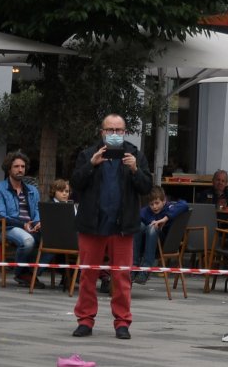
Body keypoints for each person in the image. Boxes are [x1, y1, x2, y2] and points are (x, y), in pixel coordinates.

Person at [68, 113, 153, 338]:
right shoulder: (88, 154)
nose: (114, 135)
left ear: (125, 132)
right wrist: (91, 165)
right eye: (110, 130)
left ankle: (122, 322)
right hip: (92, 225)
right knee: (88, 276)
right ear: (102, 132)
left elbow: (146, 188)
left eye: (119, 131)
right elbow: (75, 184)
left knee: (122, 277)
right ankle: (85, 320)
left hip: (122, 226)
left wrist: (135, 169)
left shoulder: (134, 154)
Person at [0, 151, 43, 286]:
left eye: (23, 167)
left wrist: (37, 223)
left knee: (56, 239)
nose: (20, 170)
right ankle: (22, 273)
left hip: (31, 226)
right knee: (28, 241)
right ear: (9, 168)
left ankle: (34, 272)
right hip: (7, 227)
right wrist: (22, 224)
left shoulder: (32, 190)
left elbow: (37, 210)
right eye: (16, 166)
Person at [136, 187, 189, 269]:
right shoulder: (146, 211)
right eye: (151, 204)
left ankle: (146, 268)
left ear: (164, 201)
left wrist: (165, 218)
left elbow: (184, 204)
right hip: (146, 245)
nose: (154, 207)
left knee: (153, 229)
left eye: (157, 203)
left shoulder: (169, 207)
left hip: (164, 243)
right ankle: (134, 265)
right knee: (138, 225)